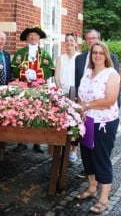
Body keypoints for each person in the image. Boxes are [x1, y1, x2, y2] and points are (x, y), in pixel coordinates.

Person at [76, 42, 120, 214]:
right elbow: (80, 95)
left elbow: (109, 100)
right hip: (86, 121)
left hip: (104, 123)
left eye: (101, 53)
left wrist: (86, 106)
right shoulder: (87, 73)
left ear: (106, 55)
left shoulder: (111, 74)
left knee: (101, 158)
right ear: (91, 55)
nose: (98, 55)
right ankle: (92, 188)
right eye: (95, 52)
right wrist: (82, 108)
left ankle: (104, 198)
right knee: (87, 156)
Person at [11, 26, 55, 153]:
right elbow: (14, 69)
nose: (33, 37)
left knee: (39, 113)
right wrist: (25, 75)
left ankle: (37, 142)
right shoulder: (20, 53)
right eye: (30, 35)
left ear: (39, 38)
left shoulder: (45, 54)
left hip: (39, 88)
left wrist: (36, 74)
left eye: (35, 35)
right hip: (23, 88)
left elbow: (50, 70)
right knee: (21, 112)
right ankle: (21, 141)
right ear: (27, 38)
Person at [54, 32, 80, 163]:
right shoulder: (60, 58)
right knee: (63, 122)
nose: (69, 43)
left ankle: (73, 151)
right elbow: (56, 76)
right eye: (67, 41)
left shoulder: (80, 58)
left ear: (76, 43)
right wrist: (60, 92)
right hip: (63, 94)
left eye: (72, 40)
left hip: (76, 95)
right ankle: (62, 148)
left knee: (75, 123)